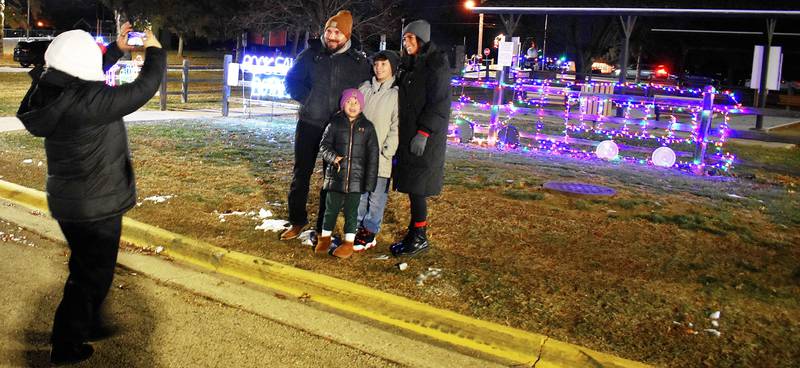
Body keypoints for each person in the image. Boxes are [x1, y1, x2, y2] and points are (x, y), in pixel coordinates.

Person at [16, 25, 165, 365]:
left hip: (70, 201)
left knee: (86, 267)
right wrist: (154, 51)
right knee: (91, 276)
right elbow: (144, 87)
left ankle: (88, 323)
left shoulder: (51, 90)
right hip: (96, 205)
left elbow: (82, 74)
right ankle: (67, 344)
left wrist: (115, 48)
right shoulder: (90, 103)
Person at [282, 10, 371, 243]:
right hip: (309, 124)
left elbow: (370, 86)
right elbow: (291, 81)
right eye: (329, 31)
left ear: (347, 35)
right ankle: (297, 220)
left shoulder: (358, 62)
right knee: (301, 173)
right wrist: (309, 99)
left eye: (337, 32)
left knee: (331, 180)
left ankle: (323, 227)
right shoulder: (310, 54)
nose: (331, 36)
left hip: (337, 129)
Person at [390, 20, 451, 257]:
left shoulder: (435, 66)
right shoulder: (410, 66)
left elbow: (439, 103)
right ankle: (413, 233)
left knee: (418, 188)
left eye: (411, 39)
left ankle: (419, 237)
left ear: (422, 40)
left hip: (425, 138)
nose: (406, 44)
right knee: (413, 186)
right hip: (409, 134)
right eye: (405, 39)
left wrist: (424, 133)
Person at [316, 89, 379, 258]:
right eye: (349, 102)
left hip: (356, 181)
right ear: (343, 104)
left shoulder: (368, 128)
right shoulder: (334, 123)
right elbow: (324, 146)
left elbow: (373, 157)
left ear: (361, 106)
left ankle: (348, 243)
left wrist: (370, 182)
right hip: (335, 177)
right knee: (331, 210)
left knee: (352, 213)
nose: (352, 106)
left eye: (356, 102)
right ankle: (325, 238)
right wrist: (333, 158)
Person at [353, 50, 400, 252]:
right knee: (361, 192)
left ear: (392, 67)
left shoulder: (396, 95)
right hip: (361, 152)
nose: (379, 68)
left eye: (384, 64)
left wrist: (388, 150)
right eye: (376, 64)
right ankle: (357, 226)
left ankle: (370, 229)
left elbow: (397, 124)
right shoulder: (364, 89)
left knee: (376, 196)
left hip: (381, 154)